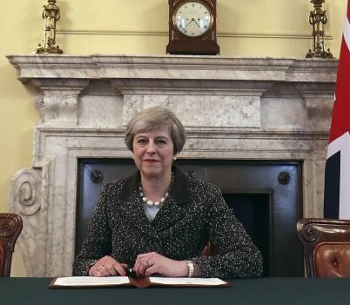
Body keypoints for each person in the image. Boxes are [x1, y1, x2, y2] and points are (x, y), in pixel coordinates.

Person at [72, 106, 263, 279]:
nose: (150, 149)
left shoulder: (205, 195)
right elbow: (83, 261)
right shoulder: (112, 194)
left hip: (182, 297)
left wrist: (184, 267)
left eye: (161, 141)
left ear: (175, 150)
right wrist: (94, 266)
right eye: (142, 141)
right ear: (133, 150)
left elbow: (250, 260)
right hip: (126, 297)